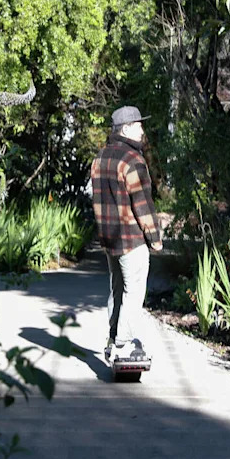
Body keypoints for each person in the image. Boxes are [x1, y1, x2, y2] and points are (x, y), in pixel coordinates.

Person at [90, 105, 163, 364]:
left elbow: (98, 202)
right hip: (131, 239)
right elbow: (142, 204)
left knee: (117, 289)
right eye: (139, 125)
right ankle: (123, 344)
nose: (142, 130)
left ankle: (113, 339)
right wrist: (154, 238)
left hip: (109, 240)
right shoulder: (133, 160)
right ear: (127, 128)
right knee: (133, 292)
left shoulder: (99, 158)